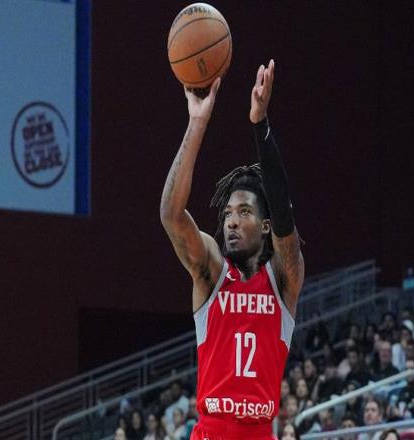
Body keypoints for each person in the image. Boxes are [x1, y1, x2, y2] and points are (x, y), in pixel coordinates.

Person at [160, 60, 304, 439]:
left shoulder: (284, 279)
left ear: (266, 226)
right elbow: (171, 215)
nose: (231, 222)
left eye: (244, 212)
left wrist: (260, 124)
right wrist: (197, 123)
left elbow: (284, 213)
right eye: (227, 214)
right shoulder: (211, 271)